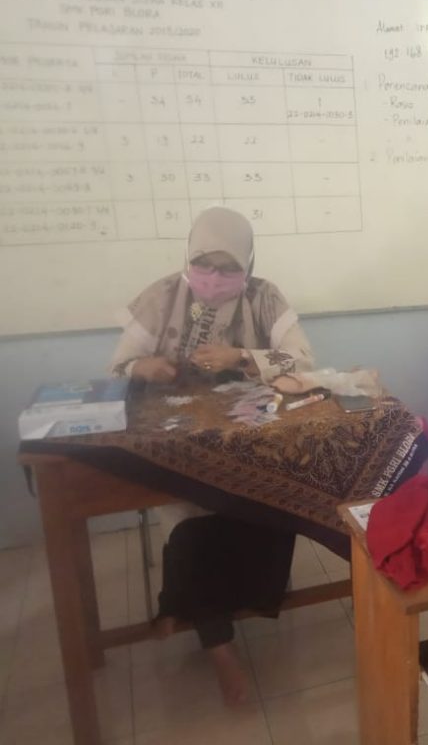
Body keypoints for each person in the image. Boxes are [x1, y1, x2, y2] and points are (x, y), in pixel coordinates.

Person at [110, 206, 315, 705]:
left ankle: (202, 603)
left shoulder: (264, 297)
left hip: (248, 435)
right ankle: (217, 642)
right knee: (190, 521)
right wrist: (145, 367)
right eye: (204, 264)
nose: (214, 278)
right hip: (173, 441)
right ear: (188, 256)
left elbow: (303, 358)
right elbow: (117, 367)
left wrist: (242, 356)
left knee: (268, 502)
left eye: (228, 268)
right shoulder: (162, 297)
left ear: (248, 263)